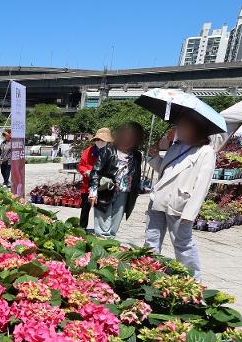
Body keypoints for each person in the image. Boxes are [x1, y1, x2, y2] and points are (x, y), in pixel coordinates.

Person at [144, 115, 216, 279]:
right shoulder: (176, 147)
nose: (179, 130)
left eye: (184, 127)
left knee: (182, 244)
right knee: (151, 240)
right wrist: (154, 157)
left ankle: (192, 278)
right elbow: (164, 171)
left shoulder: (206, 152)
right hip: (159, 199)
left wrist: (190, 213)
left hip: (180, 204)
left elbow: (202, 185)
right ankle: (149, 272)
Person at [88, 122, 144, 237]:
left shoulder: (137, 155)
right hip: (106, 190)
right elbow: (95, 171)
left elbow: (136, 175)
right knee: (102, 225)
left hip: (124, 192)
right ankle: (101, 246)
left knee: (114, 225)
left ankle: (110, 247)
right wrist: (93, 192)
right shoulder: (108, 150)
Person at [77, 128, 112, 229]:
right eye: (98, 140)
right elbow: (80, 166)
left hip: (102, 186)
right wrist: (86, 171)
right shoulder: (88, 151)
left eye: (103, 140)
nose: (100, 142)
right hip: (87, 185)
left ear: (108, 141)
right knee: (85, 209)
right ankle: (82, 229)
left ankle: (101, 230)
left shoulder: (111, 153)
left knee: (101, 210)